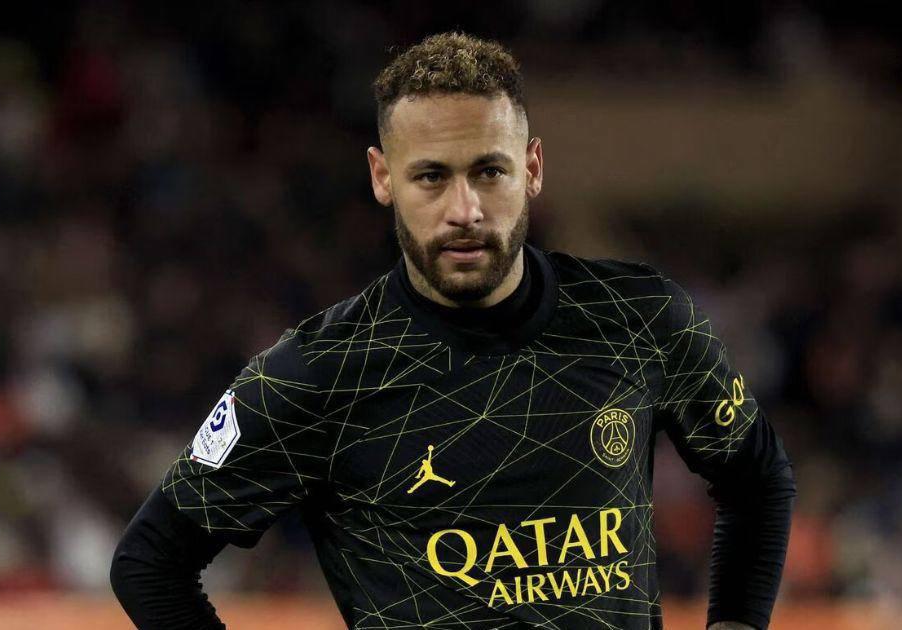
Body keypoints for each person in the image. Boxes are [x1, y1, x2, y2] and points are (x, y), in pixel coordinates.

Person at [111, 32, 795, 630]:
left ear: (532, 168)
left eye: (488, 171)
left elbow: (757, 478)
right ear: (383, 177)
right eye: (431, 177)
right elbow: (150, 563)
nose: (464, 209)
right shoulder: (317, 373)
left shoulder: (639, 315)